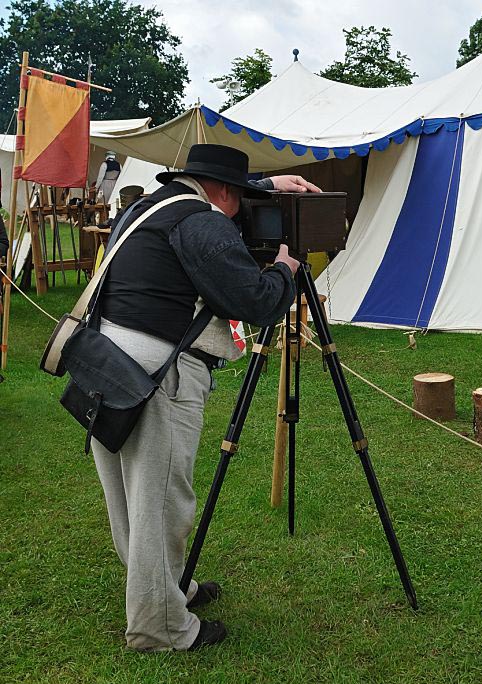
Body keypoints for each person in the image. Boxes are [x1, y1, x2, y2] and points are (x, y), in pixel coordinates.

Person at [90, 144, 320, 652]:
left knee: (131, 501)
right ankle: (160, 626)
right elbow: (255, 302)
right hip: (158, 372)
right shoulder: (202, 221)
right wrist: (285, 267)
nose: (242, 208)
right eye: (240, 195)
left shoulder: (149, 206)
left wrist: (268, 186)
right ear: (221, 191)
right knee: (162, 504)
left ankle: (166, 593)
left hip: (107, 361)